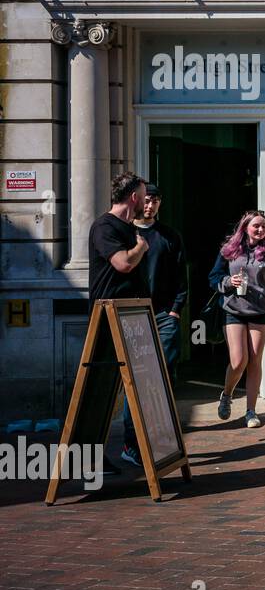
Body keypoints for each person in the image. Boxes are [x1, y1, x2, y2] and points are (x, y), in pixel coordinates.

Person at [117, 182, 189, 467]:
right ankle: (131, 442)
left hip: (163, 316)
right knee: (135, 378)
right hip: (132, 315)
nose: (150, 205)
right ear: (137, 201)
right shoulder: (124, 234)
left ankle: (161, 438)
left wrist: (175, 311)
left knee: (162, 376)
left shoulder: (170, 236)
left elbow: (181, 278)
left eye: (155, 200)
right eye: (146, 200)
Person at [88, 171, 150, 473]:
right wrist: (140, 247)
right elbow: (123, 263)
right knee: (98, 390)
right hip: (106, 317)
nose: (146, 201)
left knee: (134, 386)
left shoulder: (128, 228)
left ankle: (138, 448)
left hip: (129, 316)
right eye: (143, 194)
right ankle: (88, 458)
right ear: (134, 197)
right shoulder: (105, 227)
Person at [208, 210, 265, 429]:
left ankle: (251, 411)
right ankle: (227, 394)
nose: (261, 230)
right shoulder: (229, 251)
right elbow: (213, 277)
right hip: (233, 309)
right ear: (245, 227)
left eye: (263, 226)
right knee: (238, 360)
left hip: (261, 312)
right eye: (256, 226)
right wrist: (227, 282)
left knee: (255, 360)